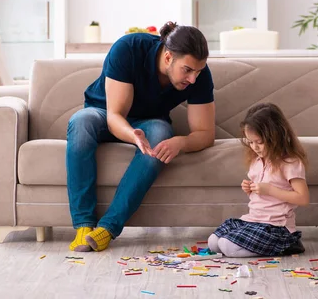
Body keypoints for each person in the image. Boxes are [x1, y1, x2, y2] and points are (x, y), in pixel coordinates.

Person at [66, 21, 216, 252]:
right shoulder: (129, 49)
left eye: (198, 71)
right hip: (105, 114)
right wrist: (132, 135)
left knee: (160, 134)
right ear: (168, 58)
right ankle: (83, 225)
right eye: (187, 70)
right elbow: (115, 116)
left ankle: (107, 228)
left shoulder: (199, 76)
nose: (193, 79)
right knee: (80, 121)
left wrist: (181, 142)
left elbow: (205, 134)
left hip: (150, 123)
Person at [208, 103, 309, 257]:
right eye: (250, 142)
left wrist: (269, 189)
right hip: (254, 220)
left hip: (276, 227)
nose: (254, 147)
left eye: (259, 142)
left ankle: (286, 244)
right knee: (213, 242)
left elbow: (303, 198)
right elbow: (263, 198)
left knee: (226, 246)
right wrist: (250, 190)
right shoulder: (257, 161)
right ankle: (263, 246)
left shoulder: (290, 162)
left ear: (276, 137)